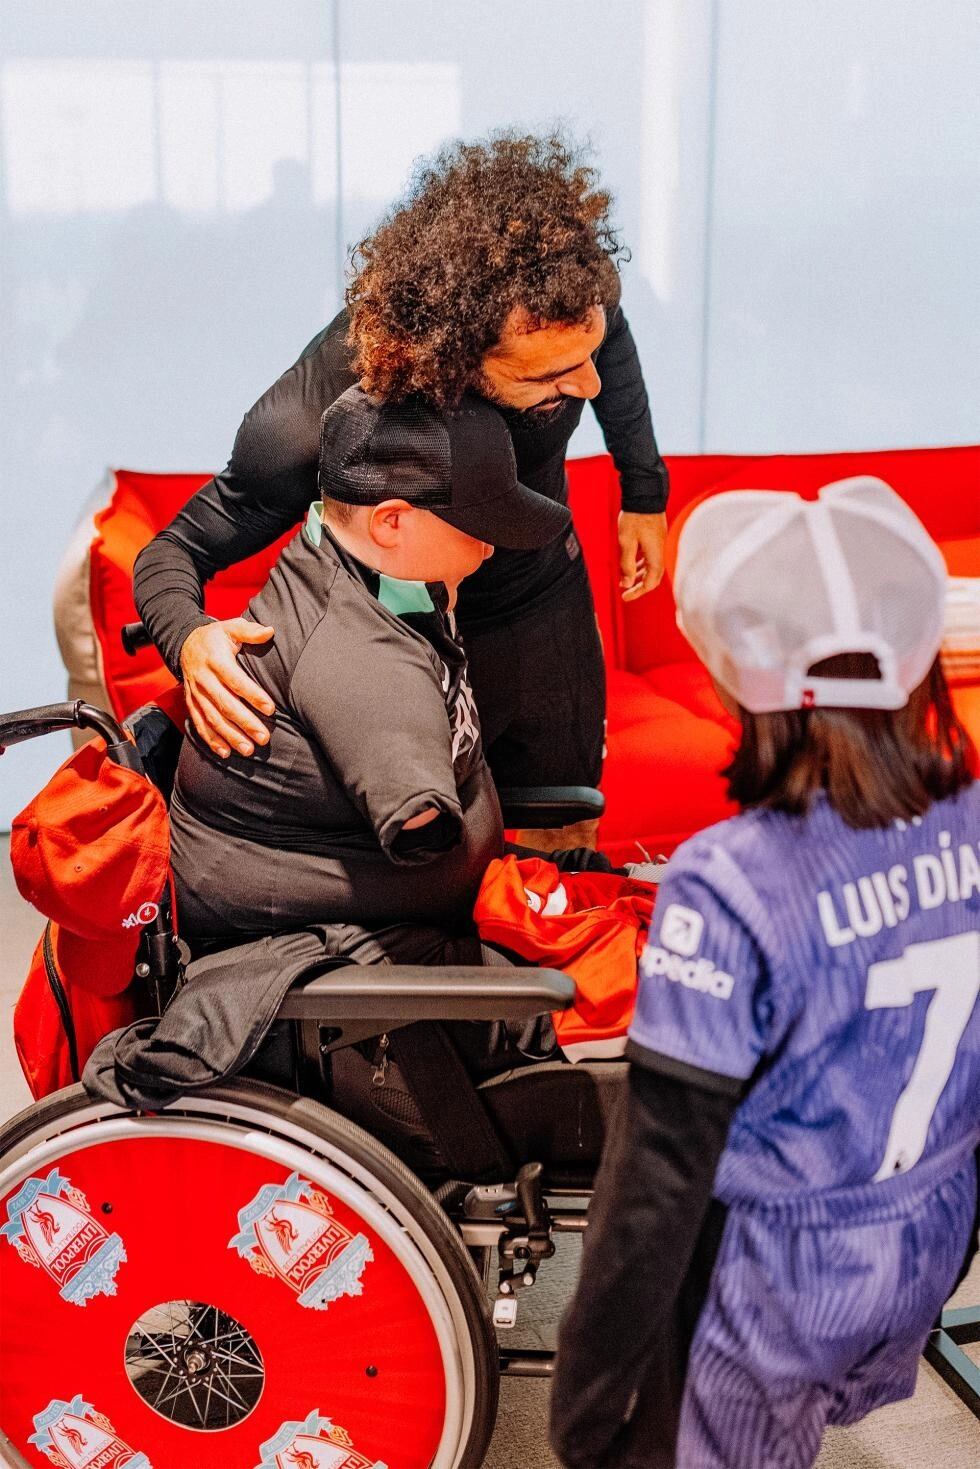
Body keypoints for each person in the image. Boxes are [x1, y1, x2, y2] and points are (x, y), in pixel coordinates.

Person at [550, 477, 979, 1469]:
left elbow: (656, 1173)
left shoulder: (728, 878)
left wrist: (585, 1390)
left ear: (732, 674)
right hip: (922, 1236)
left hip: (778, 1272)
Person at [133, 132, 670, 849]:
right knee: (446, 871)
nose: (586, 385)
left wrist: (645, 490)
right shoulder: (322, 414)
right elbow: (176, 550)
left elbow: (613, 336)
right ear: (451, 361)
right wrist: (192, 640)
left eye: (587, 350)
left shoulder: (559, 297)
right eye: (549, 381)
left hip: (547, 603)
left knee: (562, 852)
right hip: (411, 644)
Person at [169, 383, 573, 962]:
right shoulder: (365, 659)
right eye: (476, 528)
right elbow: (423, 829)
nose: (489, 551)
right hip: (345, 965)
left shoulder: (349, 562)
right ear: (389, 523)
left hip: (402, 907)